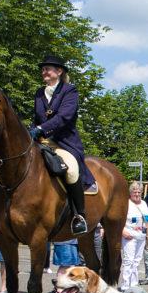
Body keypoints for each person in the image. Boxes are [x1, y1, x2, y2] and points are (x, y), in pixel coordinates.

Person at [29, 54, 94, 235]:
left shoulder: (69, 91)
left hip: (63, 144)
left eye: (47, 69)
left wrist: (41, 128)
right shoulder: (39, 93)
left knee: (72, 170)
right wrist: (31, 130)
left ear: (59, 71)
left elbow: (64, 118)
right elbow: (36, 118)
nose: (44, 72)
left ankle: (79, 216)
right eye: (43, 69)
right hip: (41, 142)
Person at [121, 181, 148, 289]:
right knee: (128, 260)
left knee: (137, 261)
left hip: (141, 236)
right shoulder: (126, 203)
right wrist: (122, 231)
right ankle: (125, 285)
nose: (137, 194)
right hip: (129, 236)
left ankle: (133, 284)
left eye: (139, 192)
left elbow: (147, 220)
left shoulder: (143, 204)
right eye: (135, 192)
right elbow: (118, 220)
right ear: (130, 193)